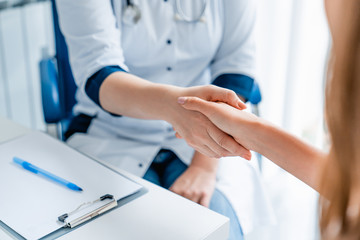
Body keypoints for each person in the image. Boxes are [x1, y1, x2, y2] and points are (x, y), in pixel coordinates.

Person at [55, 0, 272, 239]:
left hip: (208, 134)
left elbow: (235, 70)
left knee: (217, 228)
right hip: (112, 134)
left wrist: (205, 166)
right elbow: (98, 74)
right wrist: (175, 106)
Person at [177, 0, 360, 239]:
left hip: (210, 147)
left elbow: (237, 69)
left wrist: (206, 162)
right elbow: (348, 180)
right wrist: (250, 129)